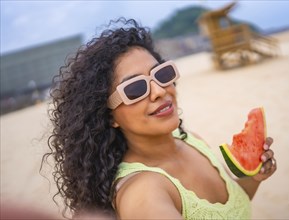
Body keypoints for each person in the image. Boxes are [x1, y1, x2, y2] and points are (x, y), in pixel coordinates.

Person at [41, 18, 277, 219]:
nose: (160, 91)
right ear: (109, 115)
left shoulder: (192, 140)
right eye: (135, 89)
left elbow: (235, 207)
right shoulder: (144, 194)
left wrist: (254, 176)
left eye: (162, 74)